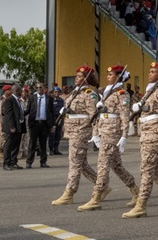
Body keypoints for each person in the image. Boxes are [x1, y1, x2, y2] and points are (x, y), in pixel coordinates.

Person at [78, 66, 139, 211]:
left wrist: (124, 135)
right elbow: (99, 115)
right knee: (116, 165)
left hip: (113, 133)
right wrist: (95, 133)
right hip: (104, 131)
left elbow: (125, 116)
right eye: (108, 74)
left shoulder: (121, 93)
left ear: (118, 77)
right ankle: (136, 191)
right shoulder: (106, 92)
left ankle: (96, 196)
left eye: (111, 74)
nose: (108, 77)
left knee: (103, 164)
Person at [124, 63, 158, 218]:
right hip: (145, 134)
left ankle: (141, 205)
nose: (150, 74)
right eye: (150, 71)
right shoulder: (149, 92)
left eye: (153, 72)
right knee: (153, 170)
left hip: (154, 134)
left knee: (147, 170)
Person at [52, 67, 100, 205]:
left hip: (81, 130)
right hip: (72, 130)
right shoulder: (74, 92)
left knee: (74, 162)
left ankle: (70, 192)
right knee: (82, 164)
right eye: (76, 76)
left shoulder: (90, 94)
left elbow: (94, 115)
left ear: (86, 78)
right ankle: (101, 184)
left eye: (79, 76)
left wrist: (95, 133)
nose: (76, 78)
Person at [25, 82, 54, 168]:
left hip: (44, 123)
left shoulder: (49, 98)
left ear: (44, 88)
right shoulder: (32, 98)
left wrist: (52, 124)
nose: (39, 89)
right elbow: (28, 110)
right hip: (34, 123)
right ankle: (29, 162)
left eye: (40, 87)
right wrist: (20, 115)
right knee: (32, 143)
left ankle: (43, 161)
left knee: (43, 143)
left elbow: (52, 112)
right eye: (37, 88)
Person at [0, 85, 23, 169]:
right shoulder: (9, 100)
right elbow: (8, 114)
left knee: (16, 145)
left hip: (18, 126)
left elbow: (19, 112)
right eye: (20, 90)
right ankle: (6, 163)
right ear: (16, 91)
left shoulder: (18, 100)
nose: (22, 92)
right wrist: (11, 126)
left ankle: (13, 162)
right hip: (11, 127)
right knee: (8, 145)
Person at [49, 86, 65, 155]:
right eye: (55, 92)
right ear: (53, 92)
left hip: (60, 118)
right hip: (53, 118)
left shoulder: (61, 100)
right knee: (52, 135)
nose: (57, 93)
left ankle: (56, 149)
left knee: (58, 135)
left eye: (58, 92)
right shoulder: (51, 100)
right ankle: (51, 149)